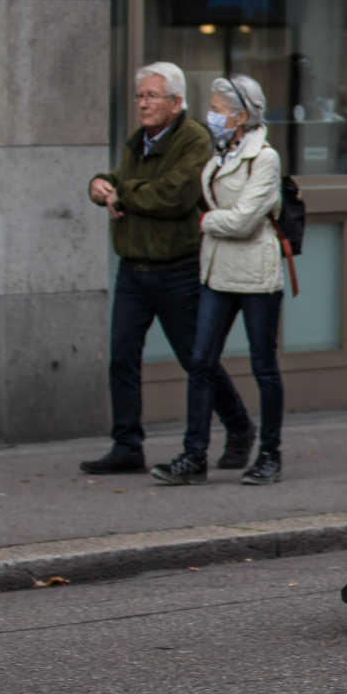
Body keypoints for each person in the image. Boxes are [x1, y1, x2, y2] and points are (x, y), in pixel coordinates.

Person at [85, 64, 252, 475]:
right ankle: (126, 446)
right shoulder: (138, 140)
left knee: (197, 361)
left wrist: (122, 193)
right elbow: (123, 178)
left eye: (151, 96)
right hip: (133, 268)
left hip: (177, 269)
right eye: (140, 95)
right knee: (122, 357)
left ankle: (240, 427)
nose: (142, 103)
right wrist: (100, 184)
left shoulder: (193, 139)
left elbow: (174, 196)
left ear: (176, 103)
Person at [154, 74, 286, 486]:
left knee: (263, 365)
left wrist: (207, 220)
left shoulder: (264, 157)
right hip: (217, 271)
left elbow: (245, 219)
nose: (211, 115)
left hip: (256, 274)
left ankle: (269, 454)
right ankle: (194, 456)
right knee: (200, 362)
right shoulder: (223, 153)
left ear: (241, 116)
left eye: (218, 108)